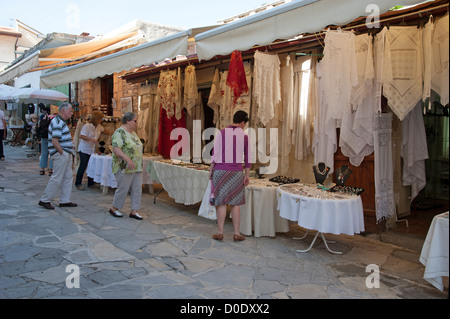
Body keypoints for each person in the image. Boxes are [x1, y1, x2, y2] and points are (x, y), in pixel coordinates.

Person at [209, 110, 251, 242]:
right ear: (243, 122)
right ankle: (237, 233)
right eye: (245, 124)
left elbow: (215, 154)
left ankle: (220, 232)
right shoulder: (244, 136)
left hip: (220, 170)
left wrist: (211, 170)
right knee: (235, 203)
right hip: (237, 172)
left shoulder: (221, 132)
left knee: (221, 203)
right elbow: (248, 157)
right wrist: (247, 175)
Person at [38, 103, 77, 210]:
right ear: (63, 111)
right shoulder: (57, 122)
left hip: (66, 153)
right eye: (70, 111)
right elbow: (55, 141)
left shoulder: (61, 122)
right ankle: (45, 199)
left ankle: (65, 200)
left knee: (68, 177)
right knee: (57, 177)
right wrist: (62, 152)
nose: (72, 113)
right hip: (61, 154)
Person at [109, 112, 144, 220]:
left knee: (137, 188)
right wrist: (127, 159)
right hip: (124, 166)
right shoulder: (119, 132)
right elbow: (116, 149)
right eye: (135, 121)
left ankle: (134, 210)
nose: (136, 123)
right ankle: (114, 208)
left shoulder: (133, 133)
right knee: (123, 188)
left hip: (136, 166)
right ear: (128, 121)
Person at [75, 111, 105, 190]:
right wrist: (91, 139)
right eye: (100, 119)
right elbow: (81, 136)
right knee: (83, 165)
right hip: (84, 149)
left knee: (91, 166)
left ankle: (91, 183)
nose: (101, 120)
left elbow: (104, 131)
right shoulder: (87, 126)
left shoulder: (98, 127)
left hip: (92, 150)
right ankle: (78, 183)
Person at [37, 104, 54, 176]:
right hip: (51, 137)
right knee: (51, 153)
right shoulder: (54, 118)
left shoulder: (44, 117)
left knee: (44, 153)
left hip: (44, 136)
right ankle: (50, 170)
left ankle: (42, 169)